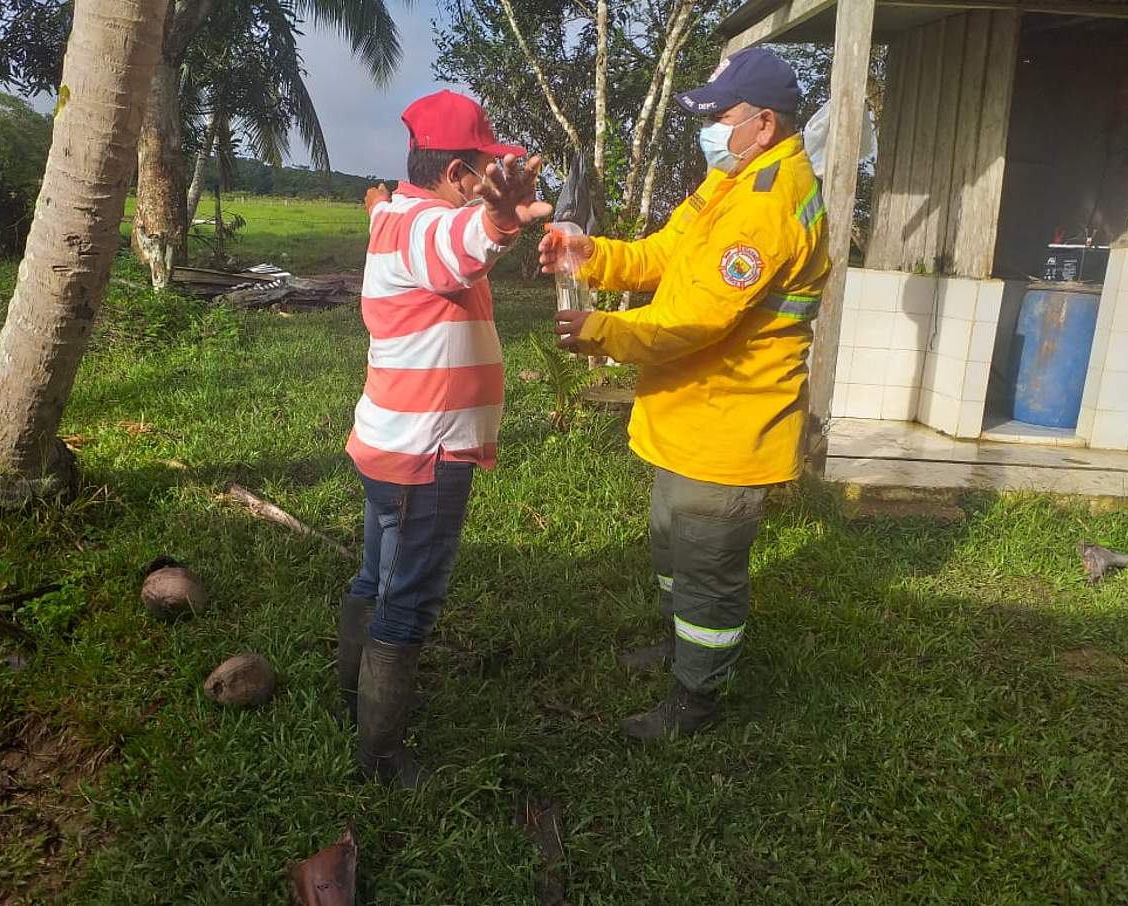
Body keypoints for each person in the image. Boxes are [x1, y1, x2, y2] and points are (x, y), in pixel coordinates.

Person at [541, 48, 830, 740]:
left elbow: (694, 320)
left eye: (719, 116)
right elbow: (668, 253)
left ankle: (695, 702)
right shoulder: (730, 181)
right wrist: (593, 256)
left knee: (707, 579)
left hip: (729, 427)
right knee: (673, 551)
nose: (708, 128)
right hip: (690, 414)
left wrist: (601, 329)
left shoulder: (768, 208)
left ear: (763, 124)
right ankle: (679, 650)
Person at [338, 90, 551, 787]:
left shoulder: (394, 212)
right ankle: (380, 755)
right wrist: (495, 220)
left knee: (378, 576)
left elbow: (430, 234)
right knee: (411, 599)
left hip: (391, 439)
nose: (489, 179)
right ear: (458, 173)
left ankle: (354, 698)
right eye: (483, 170)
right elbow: (456, 250)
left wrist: (486, 211)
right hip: (425, 454)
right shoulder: (427, 228)